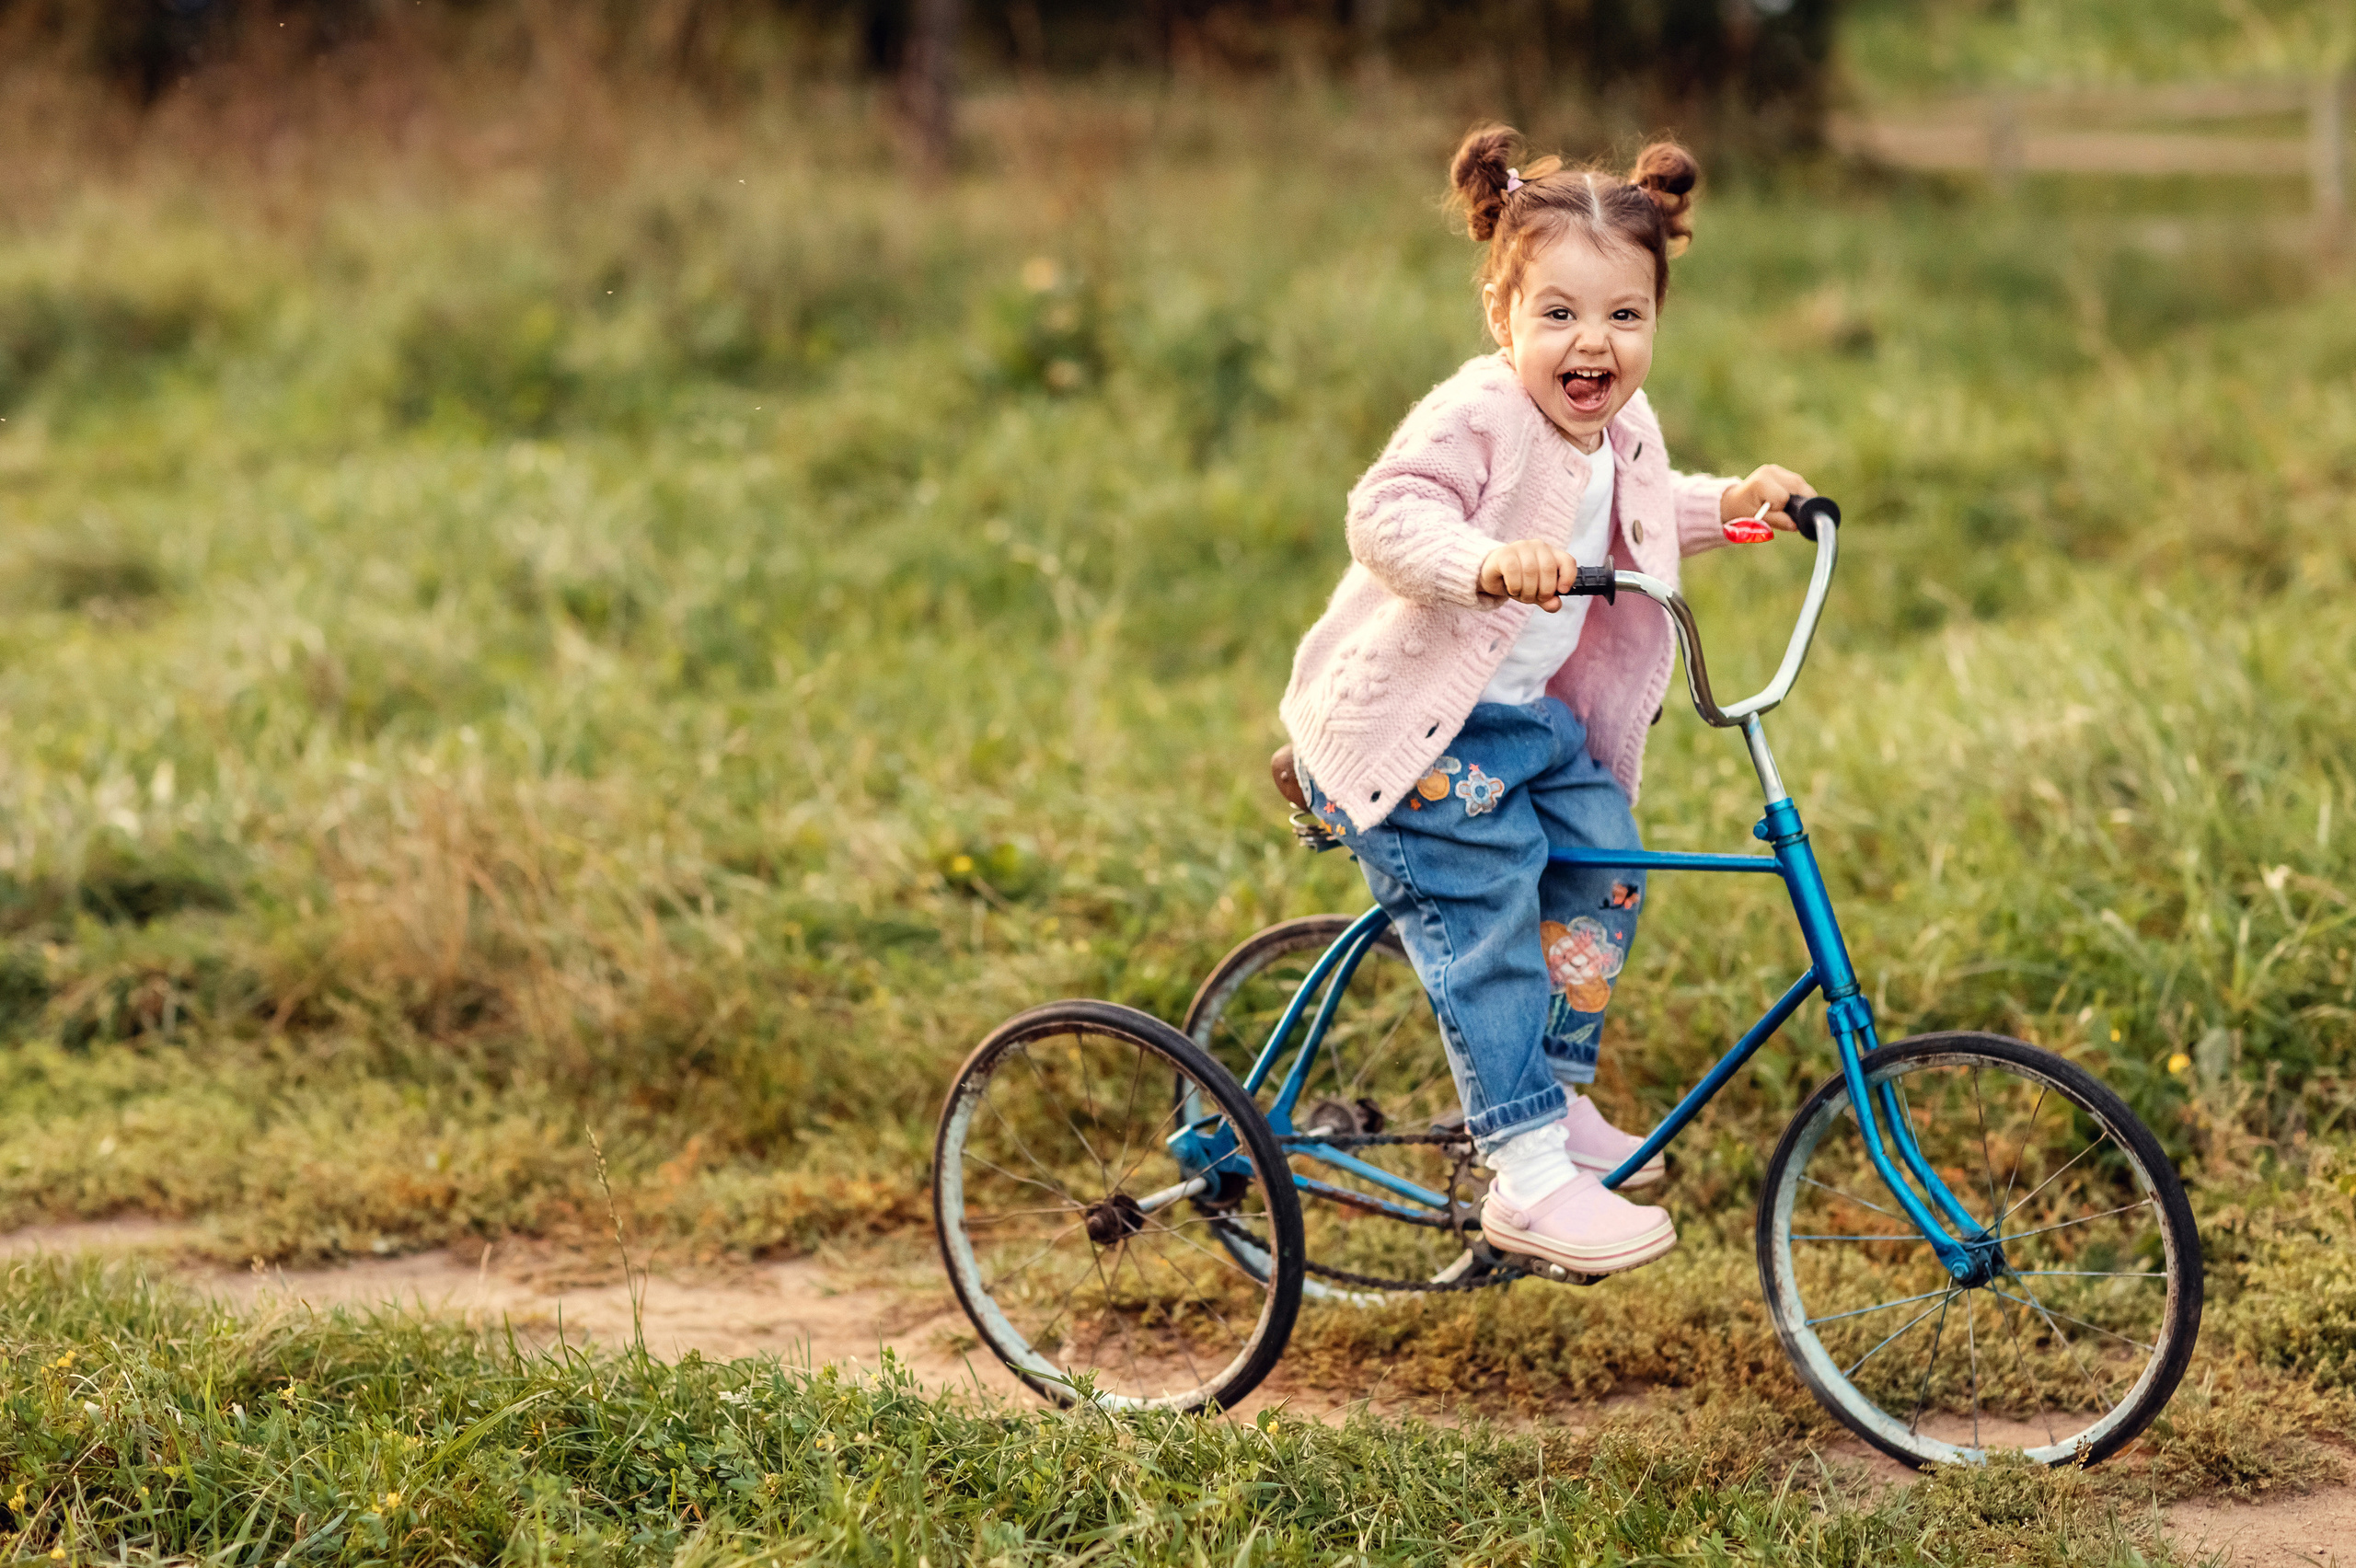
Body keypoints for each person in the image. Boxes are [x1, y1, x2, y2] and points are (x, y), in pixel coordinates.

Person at [1279, 125, 1813, 1279]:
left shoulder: (1619, 425)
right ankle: (1523, 1174)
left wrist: (1738, 507)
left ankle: (1553, 1096)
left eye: (1624, 316)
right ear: (1500, 316)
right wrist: (1479, 560)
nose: (1593, 343)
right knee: (1486, 913)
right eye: (1559, 314)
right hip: (1409, 731)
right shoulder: (1474, 414)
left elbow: (1631, 514)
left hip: (1520, 730)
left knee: (1603, 855)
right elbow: (1388, 512)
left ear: (1654, 324)